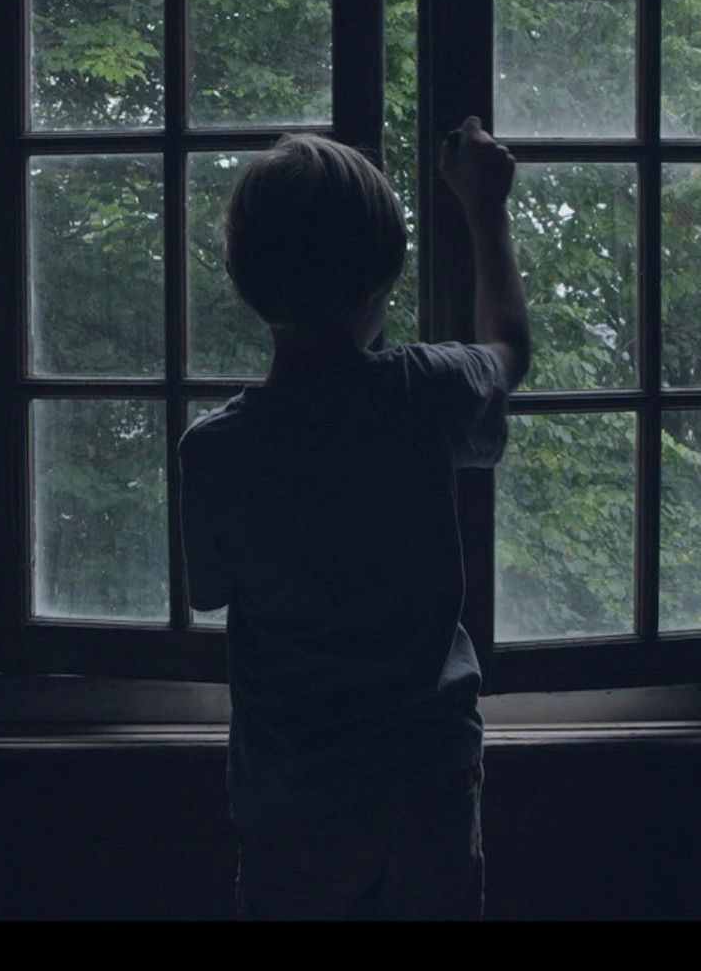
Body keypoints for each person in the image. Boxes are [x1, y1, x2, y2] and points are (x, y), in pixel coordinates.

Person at [177, 116, 530, 919]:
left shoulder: (216, 451)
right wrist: (484, 207)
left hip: (293, 796)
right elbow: (510, 351)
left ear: (242, 278)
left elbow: (211, 590)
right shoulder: (422, 393)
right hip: (426, 782)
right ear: (387, 273)